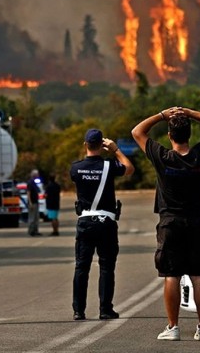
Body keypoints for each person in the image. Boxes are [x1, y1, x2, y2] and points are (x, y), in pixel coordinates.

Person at [131, 106, 200, 341]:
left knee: (171, 274)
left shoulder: (162, 157)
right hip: (196, 221)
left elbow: (137, 131)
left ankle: (173, 327)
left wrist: (162, 115)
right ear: (189, 134)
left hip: (170, 222)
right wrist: (190, 113)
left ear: (170, 136)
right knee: (199, 275)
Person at [70, 129, 134, 321]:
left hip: (85, 221)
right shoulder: (109, 165)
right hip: (106, 221)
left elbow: (78, 178)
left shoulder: (76, 168)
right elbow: (129, 168)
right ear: (102, 145)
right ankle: (105, 309)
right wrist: (116, 150)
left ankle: (78, 311)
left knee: (82, 267)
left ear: (85, 145)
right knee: (106, 267)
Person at [27, 169, 42, 237]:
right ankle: (31, 231)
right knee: (32, 218)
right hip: (32, 202)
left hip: (36, 202)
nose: (38, 175)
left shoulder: (34, 182)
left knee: (36, 217)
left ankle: (35, 230)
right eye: (37, 174)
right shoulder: (30, 183)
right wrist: (30, 202)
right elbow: (28, 193)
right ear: (34, 175)